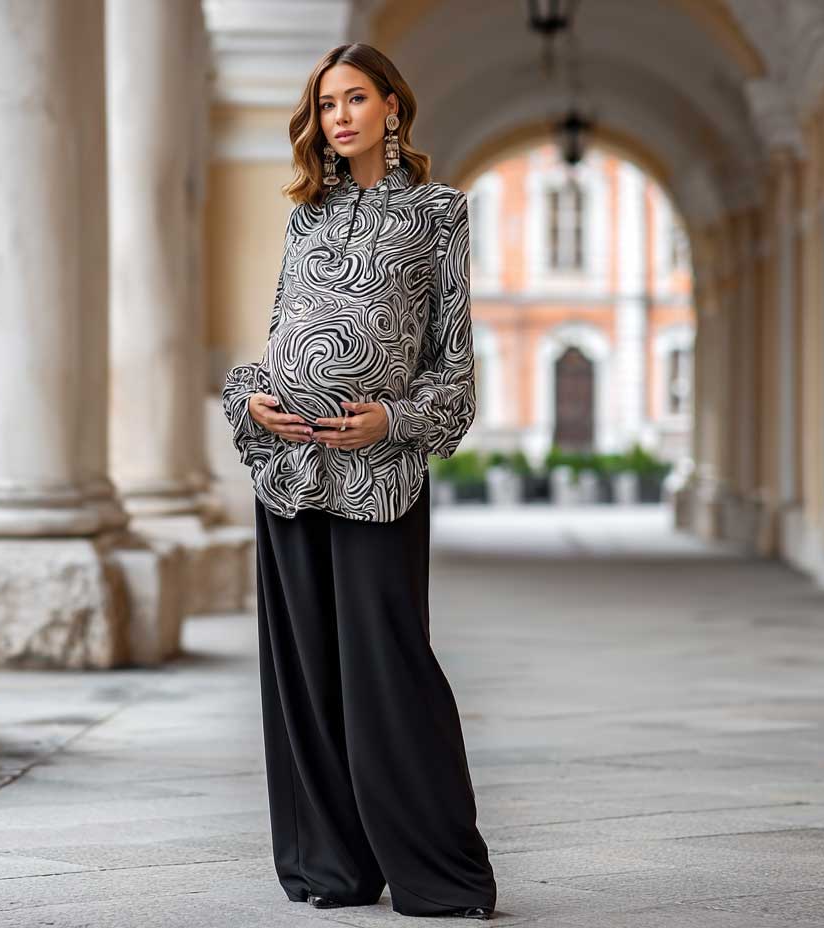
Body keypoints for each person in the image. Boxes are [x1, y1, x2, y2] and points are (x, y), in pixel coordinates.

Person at [220, 42, 497, 921]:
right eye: (325, 104)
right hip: (289, 466)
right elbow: (277, 334)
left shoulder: (438, 214)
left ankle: (441, 875)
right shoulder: (306, 215)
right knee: (304, 676)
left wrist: (393, 421)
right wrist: (249, 399)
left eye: (353, 99)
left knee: (391, 669)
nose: (337, 116)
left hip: (378, 473)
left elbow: (454, 372)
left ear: (391, 108)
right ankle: (331, 868)